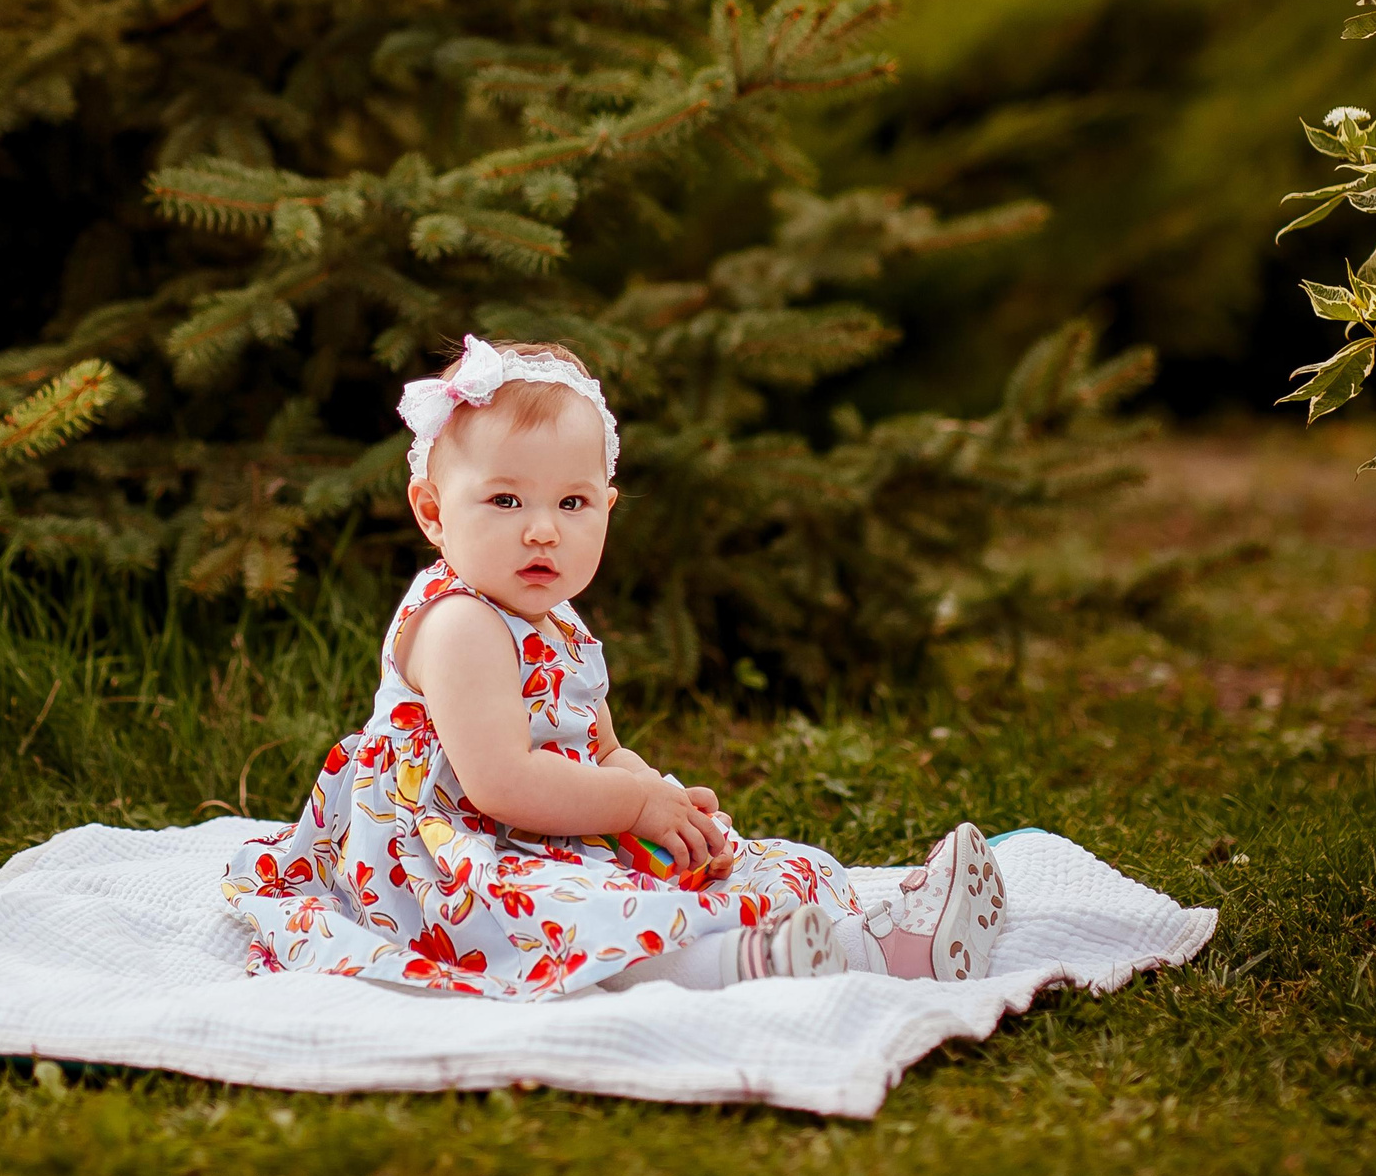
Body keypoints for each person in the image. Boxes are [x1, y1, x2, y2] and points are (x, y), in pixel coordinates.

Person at [220, 337, 1007, 998]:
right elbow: (501, 783)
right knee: (576, 908)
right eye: (504, 501)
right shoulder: (459, 622)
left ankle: (874, 939)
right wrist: (630, 804)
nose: (542, 533)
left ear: (606, 505)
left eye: (572, 504)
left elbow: (599, 752)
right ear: (432, 510)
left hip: (549, 825)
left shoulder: (557, 621)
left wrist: (658, 797)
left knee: (736, 859)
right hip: (449, 860)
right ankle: (758, 963)